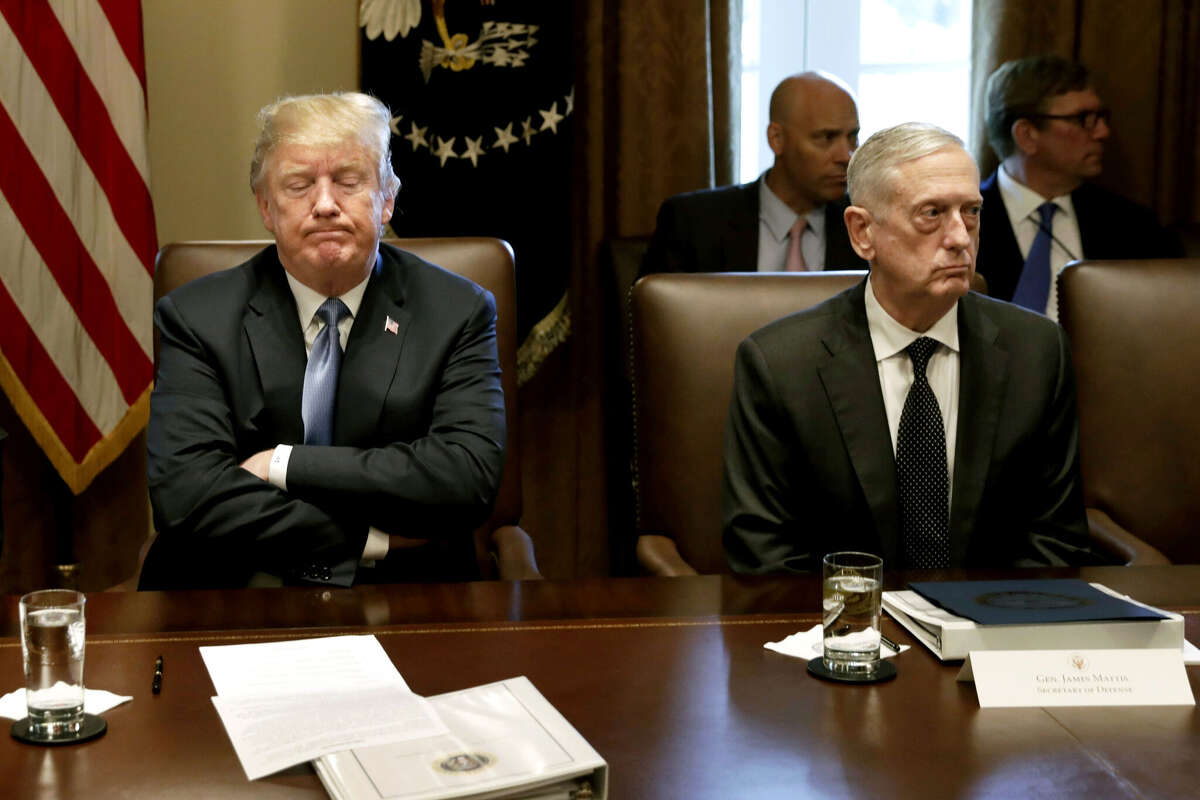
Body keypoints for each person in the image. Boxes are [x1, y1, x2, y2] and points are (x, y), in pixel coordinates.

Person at [140, 92, 506, 589]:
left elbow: (466, 478)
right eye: (299, 185)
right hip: (235, 587)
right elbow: (185, 496)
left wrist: (282, 463)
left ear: (387, 199)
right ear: (266, 208)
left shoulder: (458, 311)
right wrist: (368, 539)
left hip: (407, 595)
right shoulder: (195, 317)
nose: (326, 204)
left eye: (350, 181)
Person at [723, 122, 1097, 574]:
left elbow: (1056, 541)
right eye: (932, 213)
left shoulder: (1036, 352)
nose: (960, 237)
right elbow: (765, 557)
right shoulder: (780, 365)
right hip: (844, 632)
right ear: (863, 232)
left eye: (971, 212)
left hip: (991, 628)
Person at [978, 55, 1181, 318]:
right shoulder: (960, 224)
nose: (1102, 132)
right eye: (1084, 119)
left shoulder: (1135, 226)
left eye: (1100, 117)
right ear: (1027, 135)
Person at [639, 71, 867, 277]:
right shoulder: (694, 223)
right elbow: (656, 319)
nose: (847, 156)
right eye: (826, 138)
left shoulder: (867, 226)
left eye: (852, 137)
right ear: (776, 139)